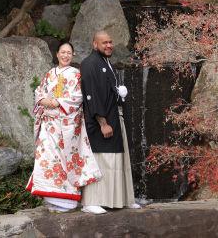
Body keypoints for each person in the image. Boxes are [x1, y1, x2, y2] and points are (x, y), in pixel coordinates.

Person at [27, 42, 102, 212]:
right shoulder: (49, 74)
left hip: (67, 124)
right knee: (47, 158)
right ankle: (54, 198)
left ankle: (68, 201)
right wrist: (44, 101)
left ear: (72, 56)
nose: (66, 55)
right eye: (63, 52)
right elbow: (39, 91)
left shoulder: (76, 74)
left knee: (65, 159)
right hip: (49, 124)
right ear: (57, 54)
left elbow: (79, 96)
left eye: (69, 53)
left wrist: (58, 102)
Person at [79, 31, 140, 214]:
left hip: (115, 116)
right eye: (104, 42)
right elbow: (91, 96)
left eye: (111, 42)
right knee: (102, 160)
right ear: (94, 44)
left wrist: (117, 91)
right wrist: (102, 123)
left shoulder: (105, 62)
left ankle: (121, 199)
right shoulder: (89, 63)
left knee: (118, 160)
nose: (109, 45)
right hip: (100, 121)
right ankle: (91, 201)